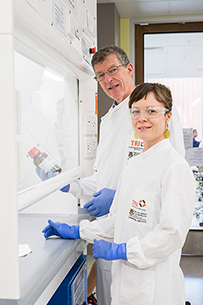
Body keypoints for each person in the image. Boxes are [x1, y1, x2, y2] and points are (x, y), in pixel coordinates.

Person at [38, 46, 184, 305]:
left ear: (129, 69)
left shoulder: (171, 160)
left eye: (112, 70)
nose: (107, 79)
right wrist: (71, 190)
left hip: (148, 267)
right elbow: (104, 178)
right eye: (100, 75)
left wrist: (122, 236)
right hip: (116, 245)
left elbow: (169, 225)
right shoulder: (110, 120)